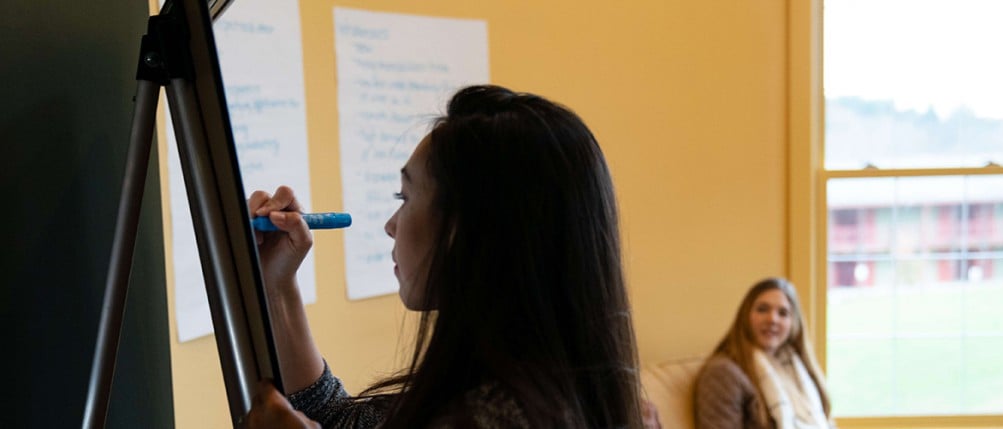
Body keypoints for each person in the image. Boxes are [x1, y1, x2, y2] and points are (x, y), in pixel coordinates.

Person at [244, 85, 646, 428]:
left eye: (405, 198)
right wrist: (279, 286)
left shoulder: (488, 417)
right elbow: (341, 421)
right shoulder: (545, 385)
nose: (391, 225)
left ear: (463, 228)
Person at [694, 278, 835, 429]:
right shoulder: (722, 373)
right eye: (762, 309)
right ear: (745, 316)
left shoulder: (797, 369)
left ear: (794, 323)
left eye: (783, 313)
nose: (772, 319)